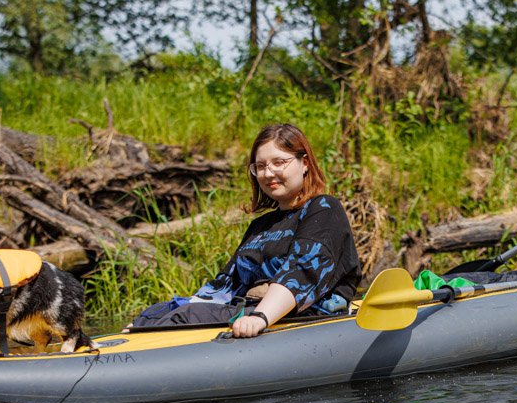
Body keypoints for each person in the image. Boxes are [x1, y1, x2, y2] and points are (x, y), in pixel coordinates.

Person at [131, 123, 361, 337]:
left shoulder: (323, 208)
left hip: (302, 317)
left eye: (279, 162)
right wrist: (159, 316)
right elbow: (227, 283)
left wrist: (261, 317)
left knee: (186, 317)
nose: (268, 173)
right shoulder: (261, 225)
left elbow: (302, 271)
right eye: (260, 166)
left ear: (305, 164)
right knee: (154, 314)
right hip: (250, 310)